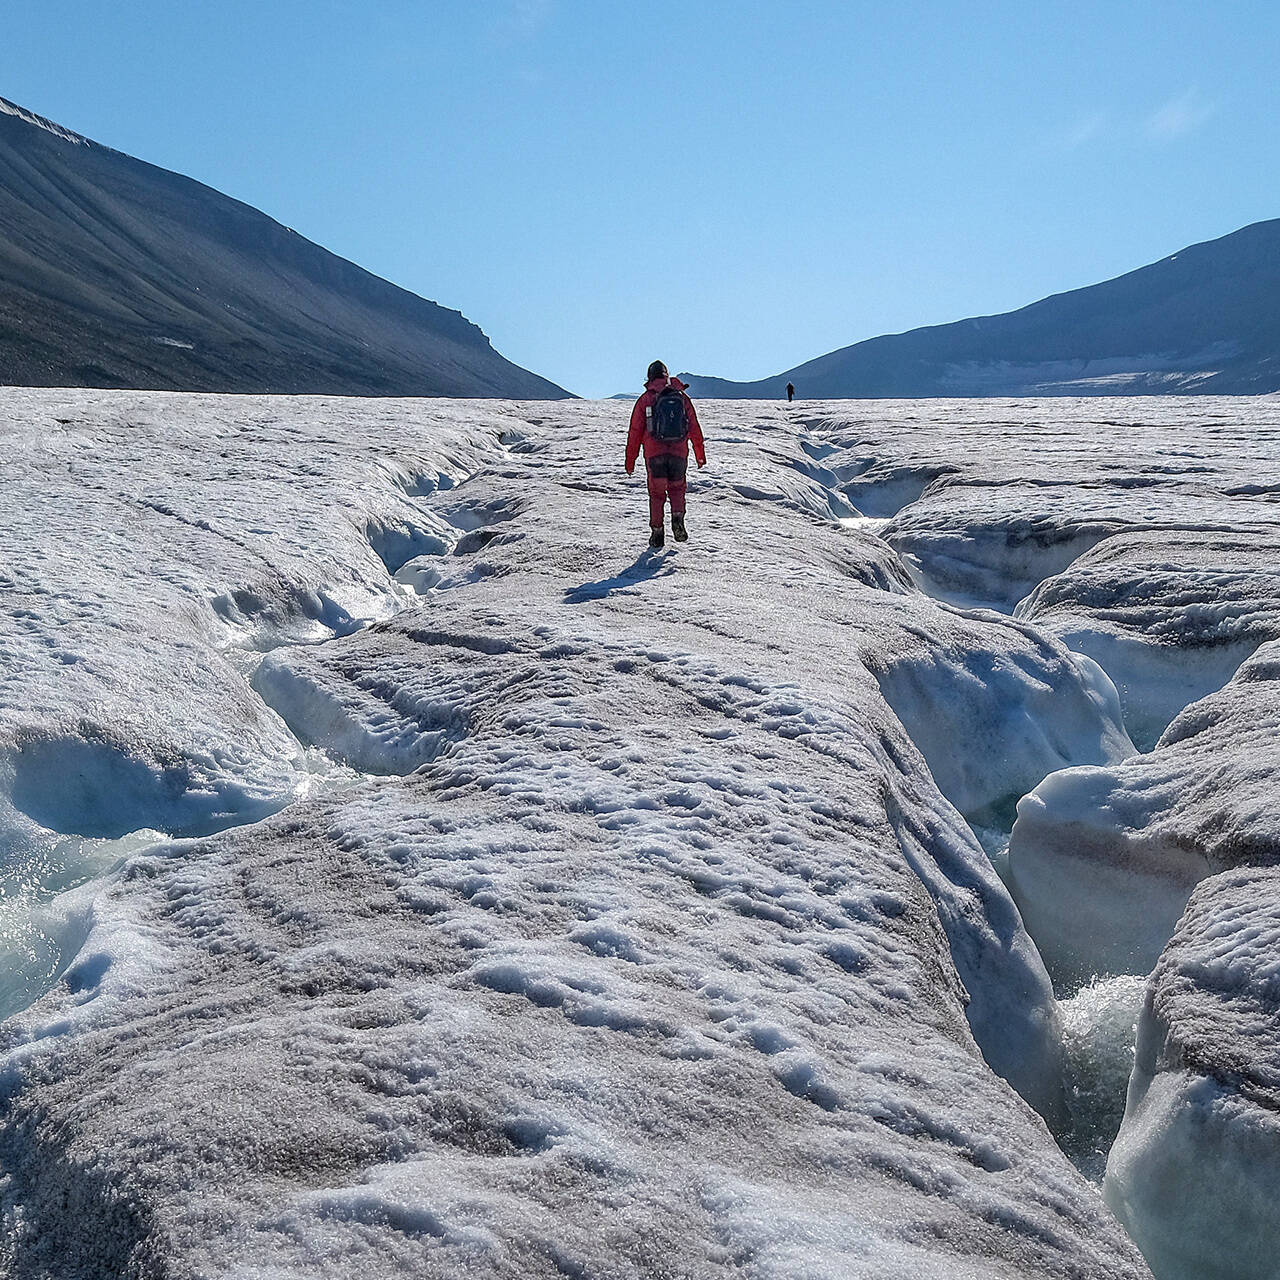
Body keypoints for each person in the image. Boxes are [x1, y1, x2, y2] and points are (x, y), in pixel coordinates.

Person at [626, 360, 706, 549]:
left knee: (656, 493)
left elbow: (635, 432)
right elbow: (694, 426)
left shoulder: (646, 399)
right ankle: (678, 518)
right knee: (677, 489)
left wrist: (630, 461)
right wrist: (700, 454)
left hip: (655, 455)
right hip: (679, 453)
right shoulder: (681, 397)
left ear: (650, 377)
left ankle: (657, 532)